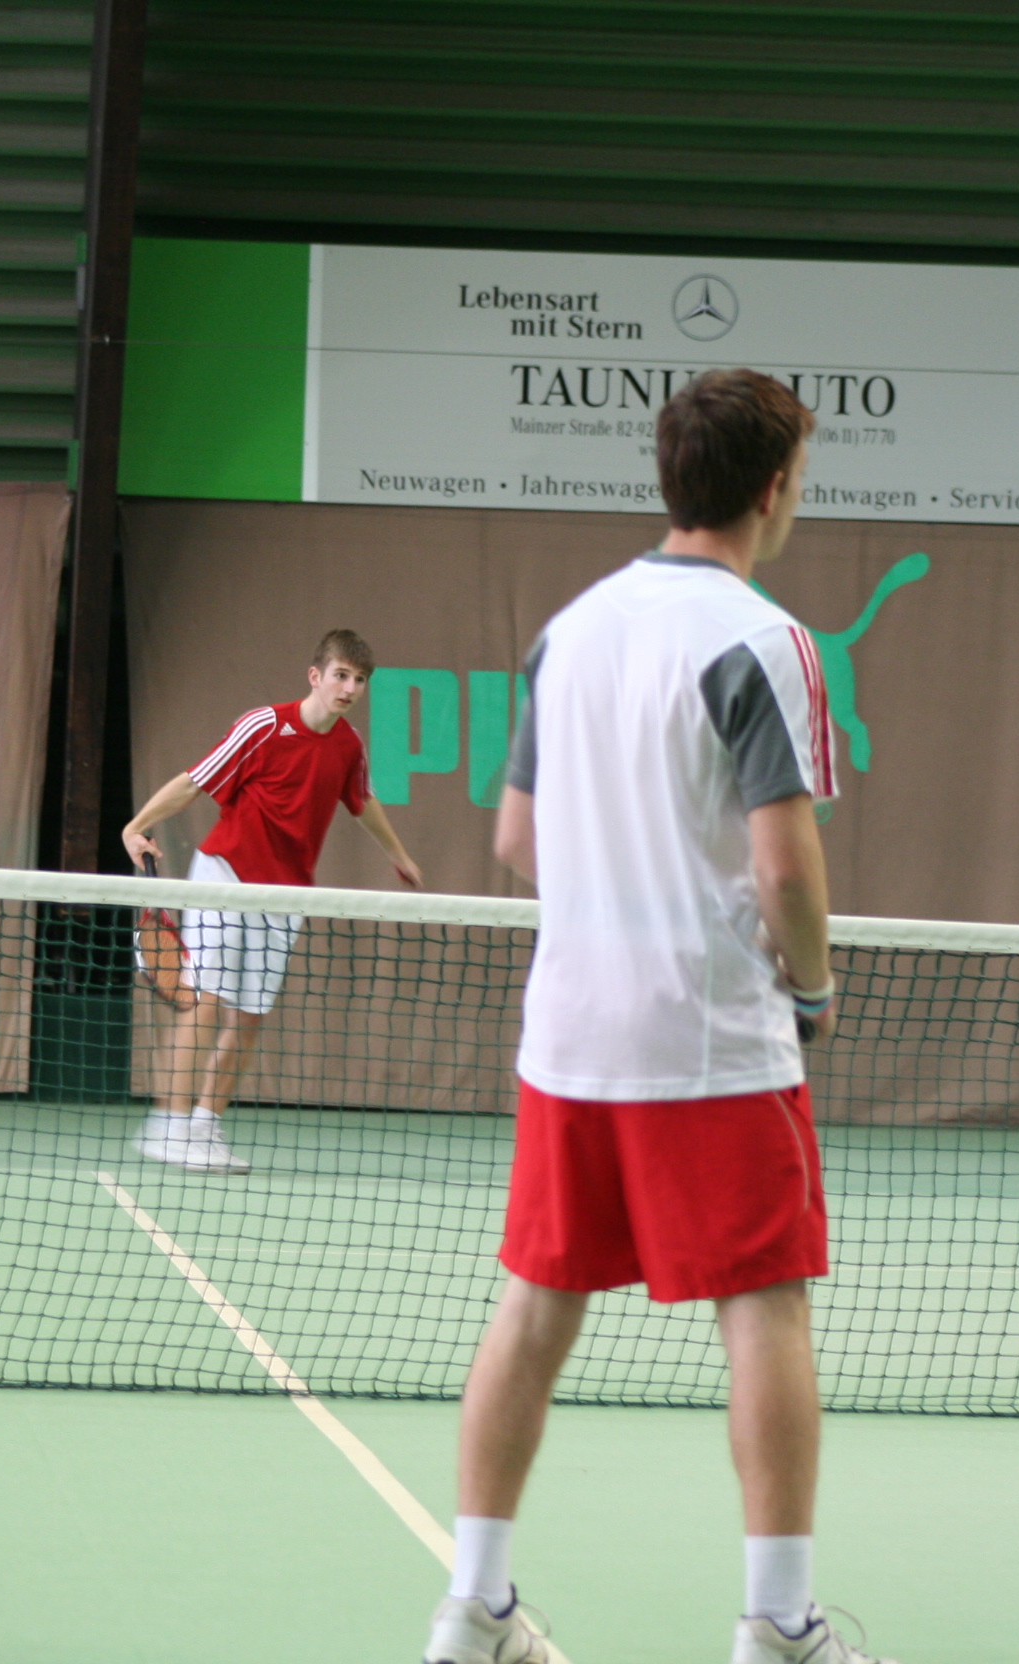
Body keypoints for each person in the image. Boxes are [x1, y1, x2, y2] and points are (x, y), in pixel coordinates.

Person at [424, 369, 898, 1664]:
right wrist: (815, 989)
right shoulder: (764, 641)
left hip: (570, 1037)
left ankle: (472, 1606)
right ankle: (780, 1625)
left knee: (534, 1307)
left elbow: (515, 839)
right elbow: (788, 871)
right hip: (714, 1045)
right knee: (766, 1313)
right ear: (774, 488)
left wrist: (616, 896)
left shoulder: (569, 631)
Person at [121, 629, 424, 1175]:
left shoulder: (349, 746)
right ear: (315, 676)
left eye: (359, 680)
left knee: (249, 1018)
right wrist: (136, 826)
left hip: (284, 896)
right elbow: (194, 782)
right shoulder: (263, 726)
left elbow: (362, 800)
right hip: (224, 875)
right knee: (205, 1000)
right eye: (341, 675)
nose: (349, 688)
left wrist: (398, 854)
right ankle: (168, 1126)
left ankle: (204, 1129)